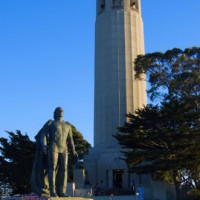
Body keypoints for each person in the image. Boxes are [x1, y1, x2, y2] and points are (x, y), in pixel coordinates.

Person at [31, 107, 78, 197]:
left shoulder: (67, 125)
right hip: (53, 147)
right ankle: (52, 191)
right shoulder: (51, 123)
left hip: (64, 148)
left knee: (64, 169)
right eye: (59, 110)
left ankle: (62, 191)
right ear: (55, 113)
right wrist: (44, 145)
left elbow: (70, 139)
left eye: (62, 111)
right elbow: (43, 134)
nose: (61, 112)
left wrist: (73, 151)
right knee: (52, 168)